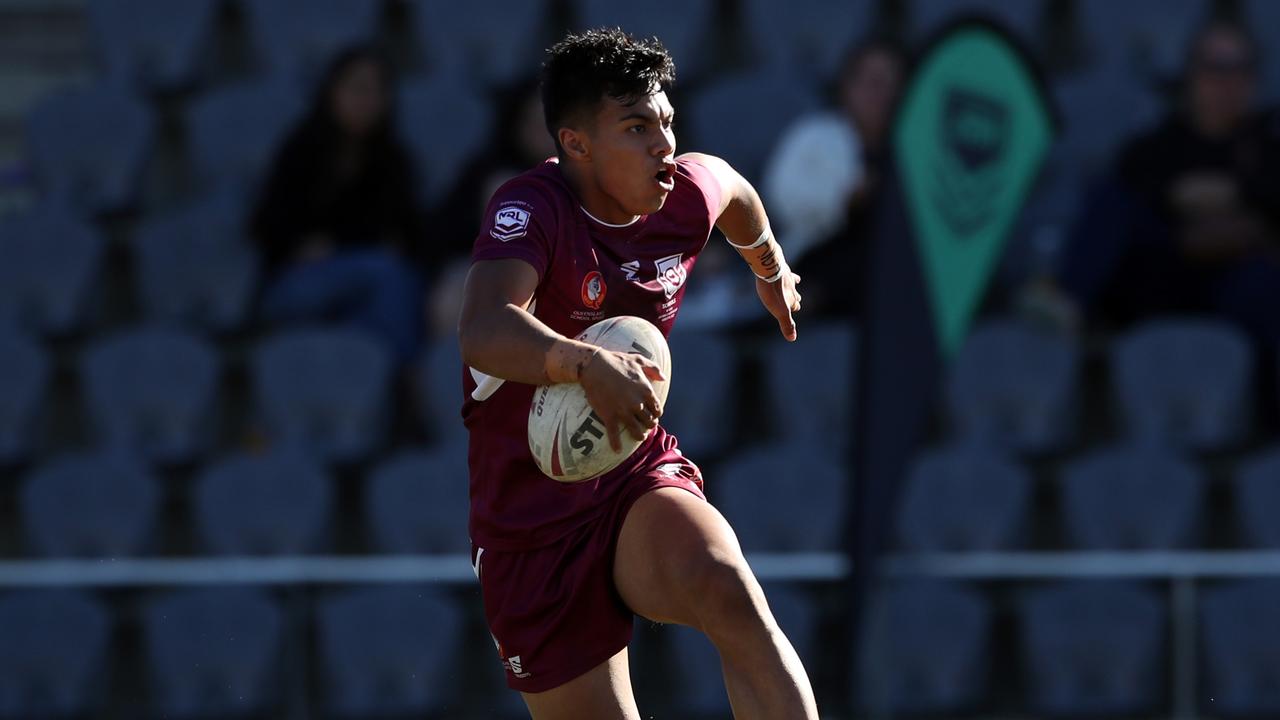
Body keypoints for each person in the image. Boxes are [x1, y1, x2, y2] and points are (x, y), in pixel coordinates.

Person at [457, 29, 818, 719]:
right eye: (636, 126)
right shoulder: (530, 209)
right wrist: (582, 362)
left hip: (630, 477)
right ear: (577, 144)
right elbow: (483, 329)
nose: (663, 144)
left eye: (666, 122)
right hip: (527, 521)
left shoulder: (683, 194)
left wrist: (771, 268)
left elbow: (735, 193)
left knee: (725, 586)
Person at [1054, 20, 1280, 340]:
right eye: (1216, 67)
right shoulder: (1156, 145)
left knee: (1264, 285)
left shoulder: (1267, 144)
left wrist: (1233, 192)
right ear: (1191, 74)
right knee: (1111, 199)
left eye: (1242, 68)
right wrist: (1203, 204)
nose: (1229, 80)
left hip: (1235, 281)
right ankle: (1067, 303)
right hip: (1161, 279)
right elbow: (1139, 193)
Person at [251, 45, 427, 365]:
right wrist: (306, 245)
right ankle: (404, 379)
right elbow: (267, 224)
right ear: (332, 91)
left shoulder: (394, 161)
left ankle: (376, 387)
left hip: (369, 285)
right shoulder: (301, 151)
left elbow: (406, 235)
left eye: (376, 91)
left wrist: (336, 243)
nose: (367, 100)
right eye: (357, 88)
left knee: (392, 284)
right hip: (298, 281)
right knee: (389, 276)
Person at [762, 37, 908, 320]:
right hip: (819, 258)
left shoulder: (913, 151)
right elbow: (782, 195)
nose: (884, 95)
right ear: (848, 87)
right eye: (874, 83)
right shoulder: (814, 137)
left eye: (894, 85)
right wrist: (847, 198)